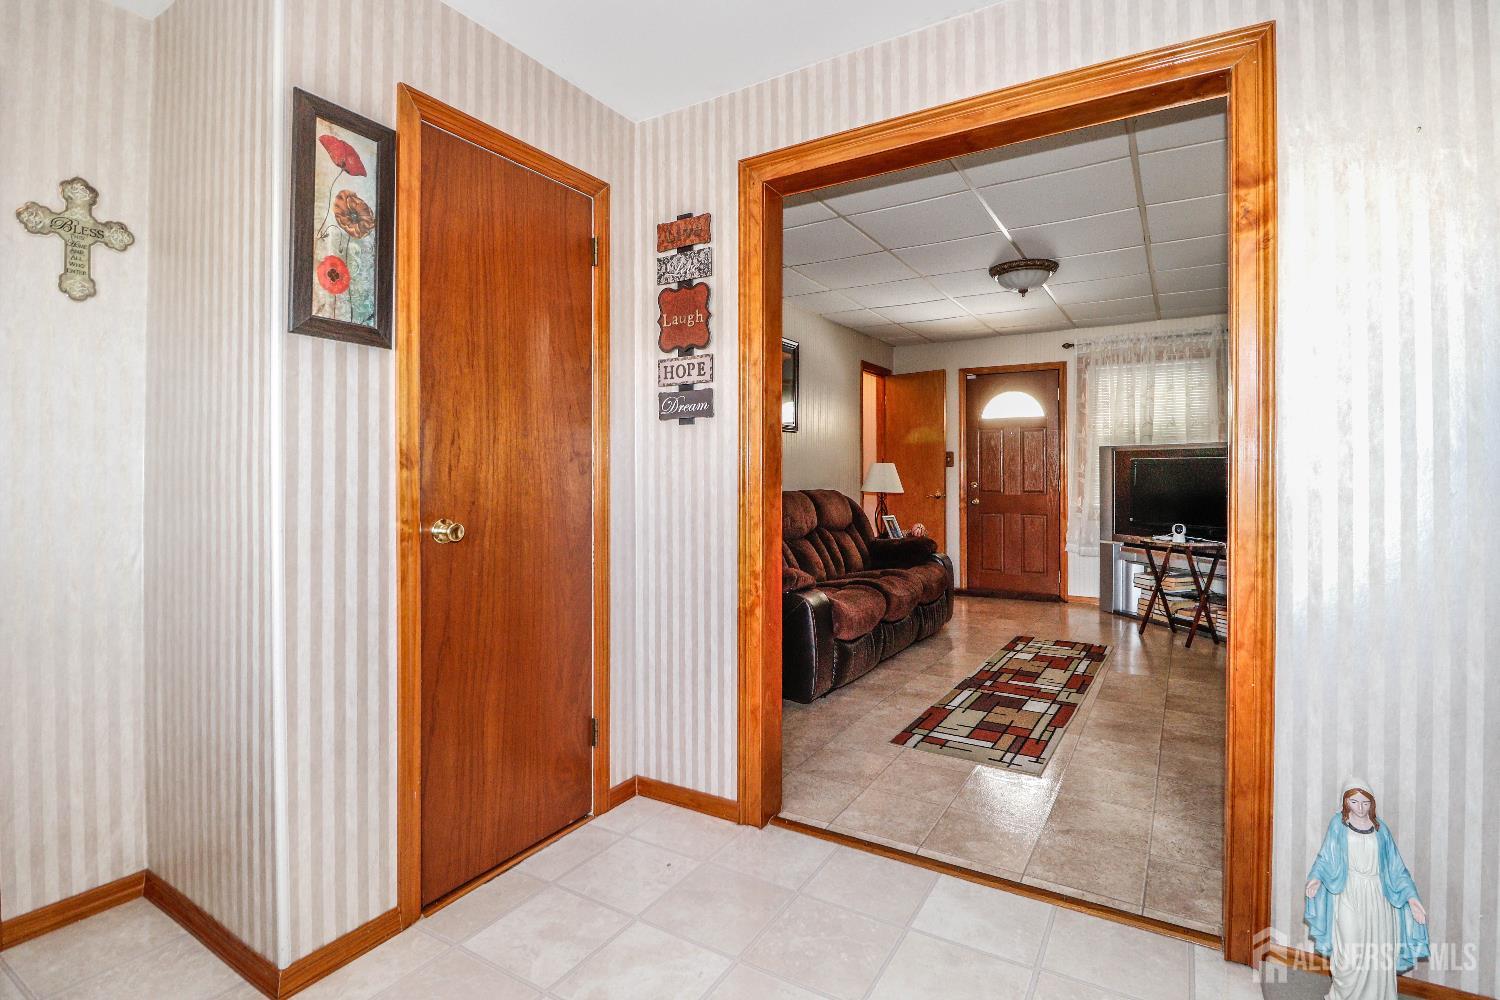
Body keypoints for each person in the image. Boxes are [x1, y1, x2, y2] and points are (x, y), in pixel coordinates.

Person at [1304, 779, 1429, 1000]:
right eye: (1354, 802)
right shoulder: (1338, 824)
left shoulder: (1380, 829)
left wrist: (1412, 898)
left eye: (1365, 803)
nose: (1360, 808)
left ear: (1372, 803)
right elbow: (1325, 857)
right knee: (1349, 954)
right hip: (1348, 893)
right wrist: (1316, 878)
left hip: (1378, 897)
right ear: (1345, 802)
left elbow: (1396, 867)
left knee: (1377, 954)